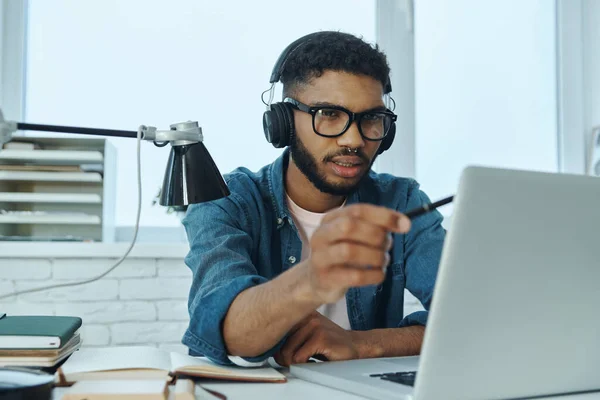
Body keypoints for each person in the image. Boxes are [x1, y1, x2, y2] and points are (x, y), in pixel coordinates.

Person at [182, 31, 445, 367]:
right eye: (329, 115)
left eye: (371, 119)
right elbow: (230, 334)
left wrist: (361, 344)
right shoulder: (226, 200)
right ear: (283, 123)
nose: (354, 139)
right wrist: (315, 276)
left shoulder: (401, 200)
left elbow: (469, 317)